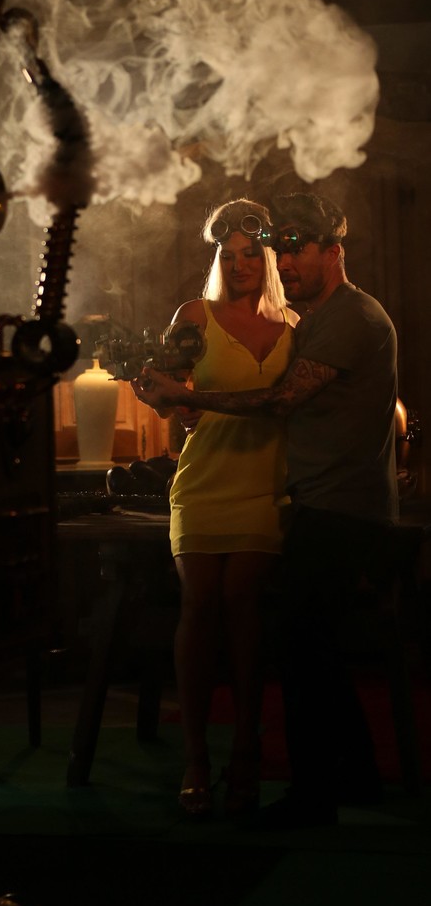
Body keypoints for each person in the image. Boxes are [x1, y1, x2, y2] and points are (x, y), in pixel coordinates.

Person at [135, 191, 398, 829]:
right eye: (280, 249)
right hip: (301, 496)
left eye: (290, 250)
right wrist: (175, 402)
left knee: (296, 642)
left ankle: (308, 794)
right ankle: (352, 775)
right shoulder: (315, 318)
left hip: (327, 502)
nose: (282, 261)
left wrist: (200, 402)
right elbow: (174, 392)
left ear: (334, 252)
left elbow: (281, 401)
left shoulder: (336, 319)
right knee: (306, 645)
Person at [140, 198, 299, 819]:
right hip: (203, 482)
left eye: (250, 254)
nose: (239, 265)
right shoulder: (194, 315)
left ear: (268, 258)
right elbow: (164, 387)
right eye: (228, 256)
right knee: (200, 605)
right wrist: (167, 399)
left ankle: (247, 752)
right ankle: (197, 759)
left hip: (266, 486)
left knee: (240, 603)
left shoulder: (295, 325)